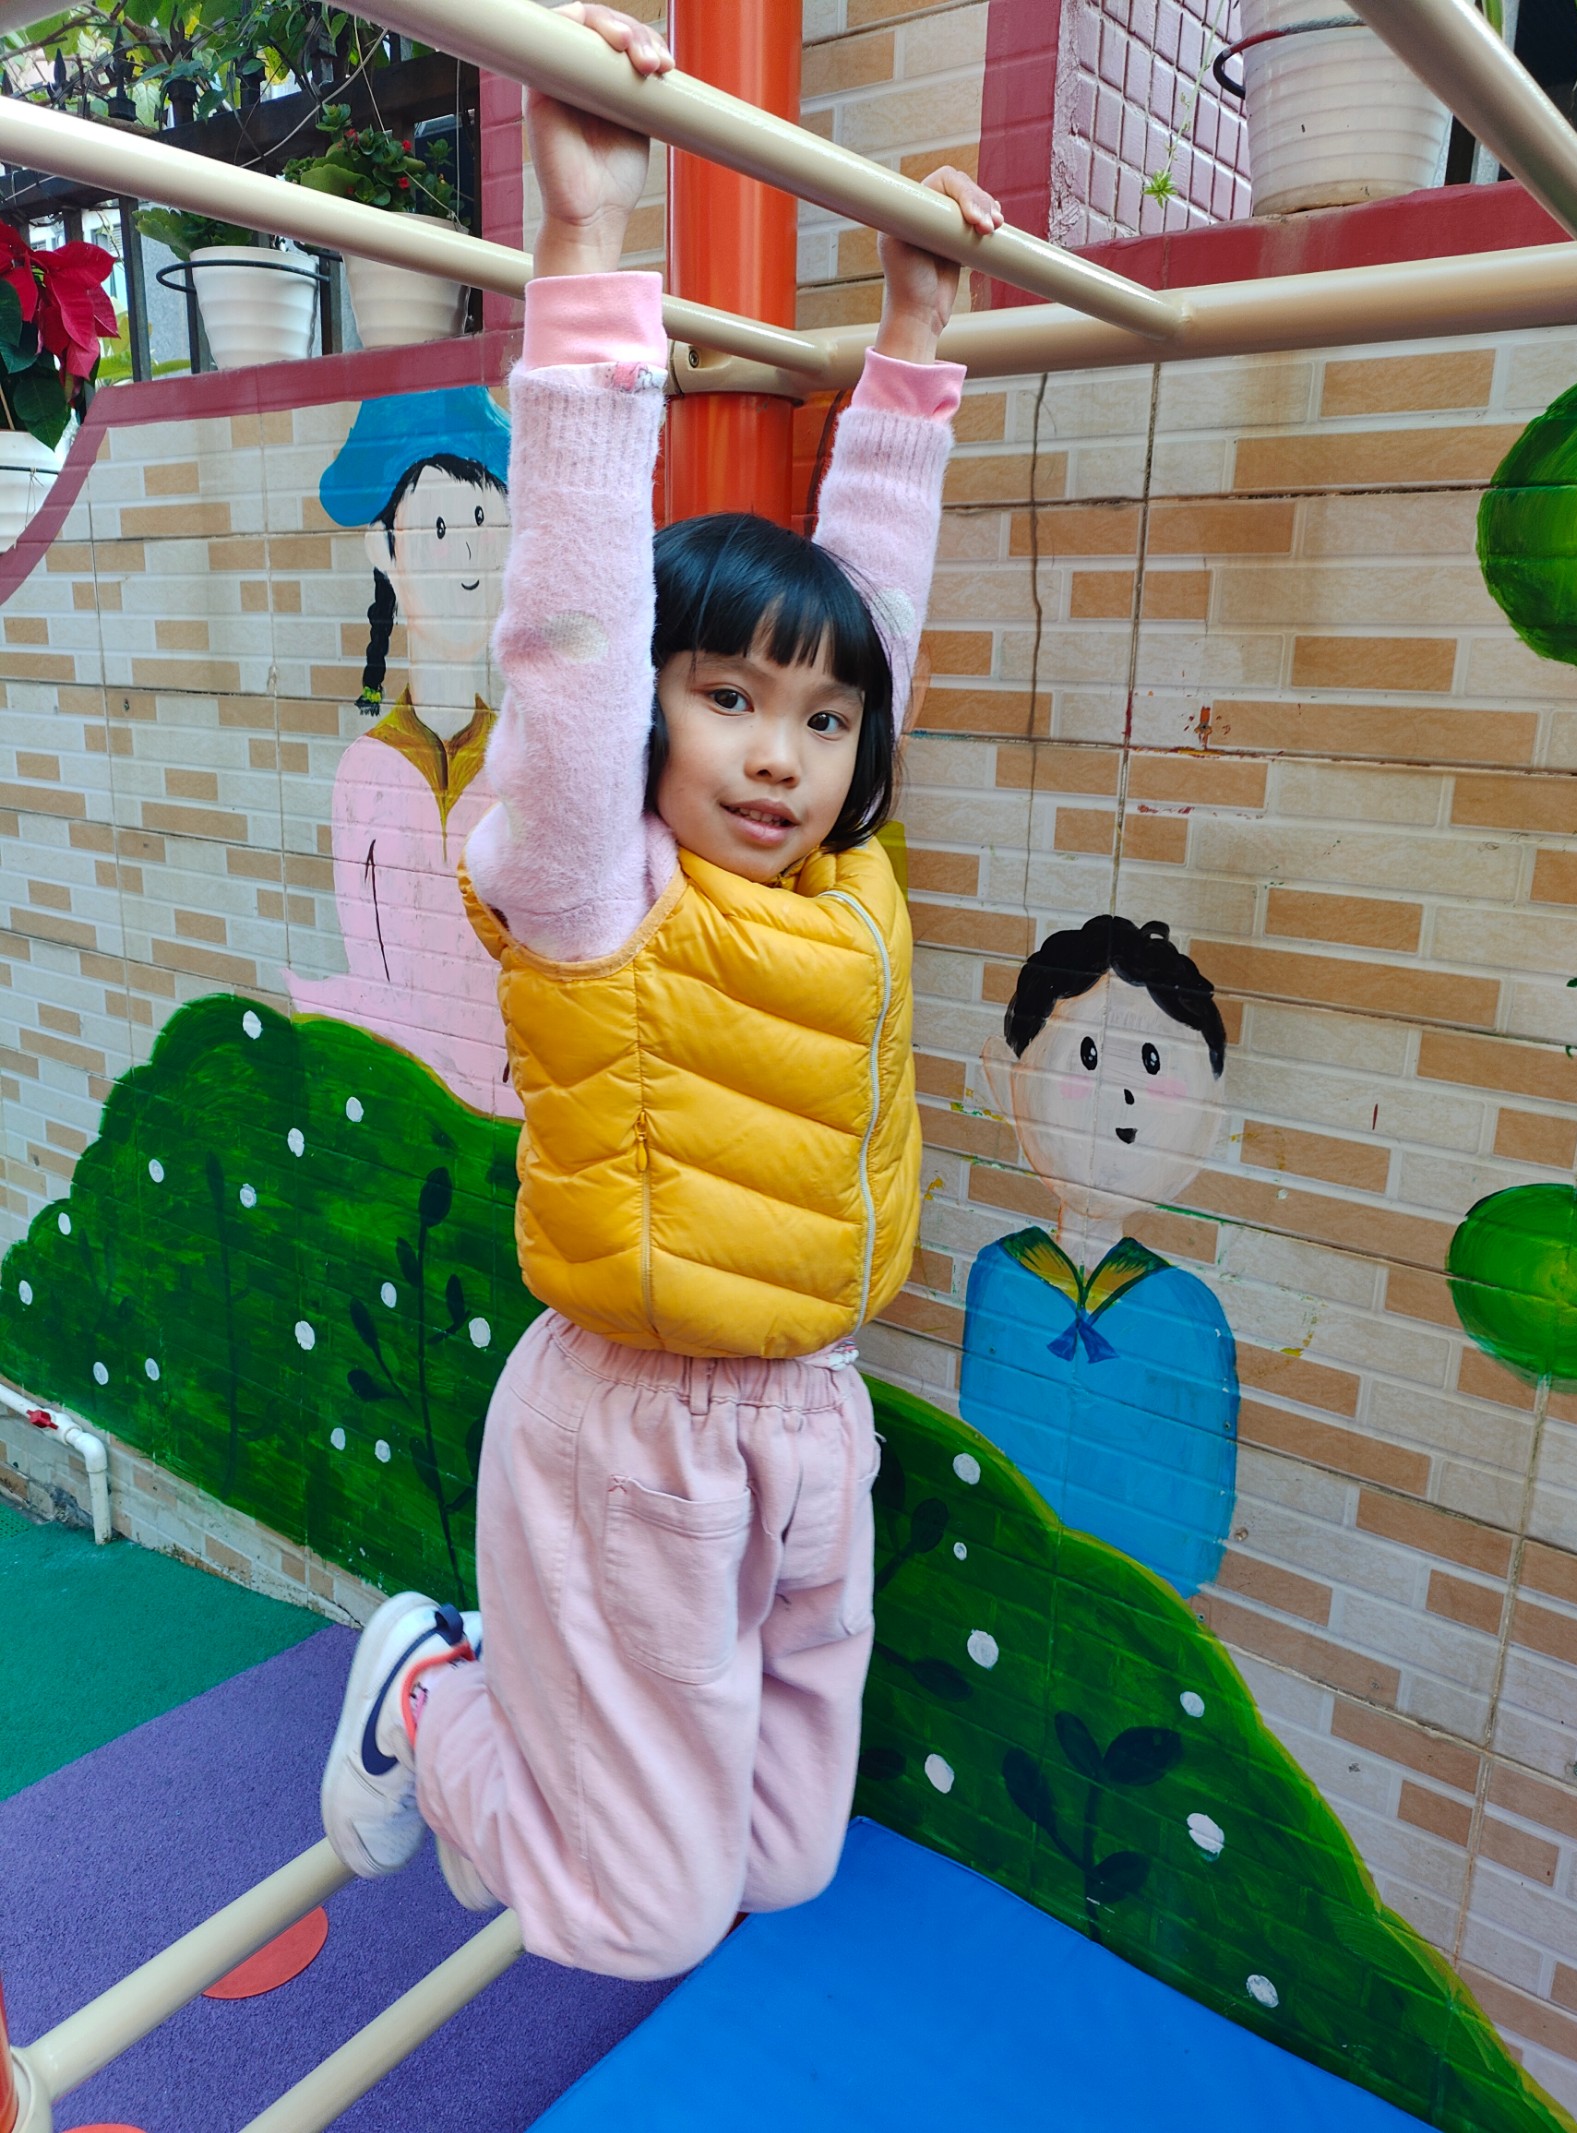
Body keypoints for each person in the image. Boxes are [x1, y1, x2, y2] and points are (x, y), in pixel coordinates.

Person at [318, 3, 1002, 1979]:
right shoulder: (592, 884)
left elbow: (869, 611)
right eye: (723, 701)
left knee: (782, 1858)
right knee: (637, 1913)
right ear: (647, 720)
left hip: (808, 1418)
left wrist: (913, 346)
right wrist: (586, 245)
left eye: (816, 720)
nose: (780, 755)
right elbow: (569, 627)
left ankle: (505, 1713)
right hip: (629, 1443)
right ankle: (425, 1690)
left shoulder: (845, 874)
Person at [963, 917, 1238, 1597]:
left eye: (1153, 1064)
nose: (1123, 1095)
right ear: (1005, 1079)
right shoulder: (998, 1274)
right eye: (1086, 1055)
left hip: (1130, 1600)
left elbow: (1199, 1498)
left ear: (1210, 1121)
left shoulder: (1188, 1313)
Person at [286, 389, 520, 1118]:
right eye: (442, 527)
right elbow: (371, 966)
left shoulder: (521, 761)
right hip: (408, 1106)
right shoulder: (366, 771)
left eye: (484, 524)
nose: (470, 560)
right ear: (386, 549)